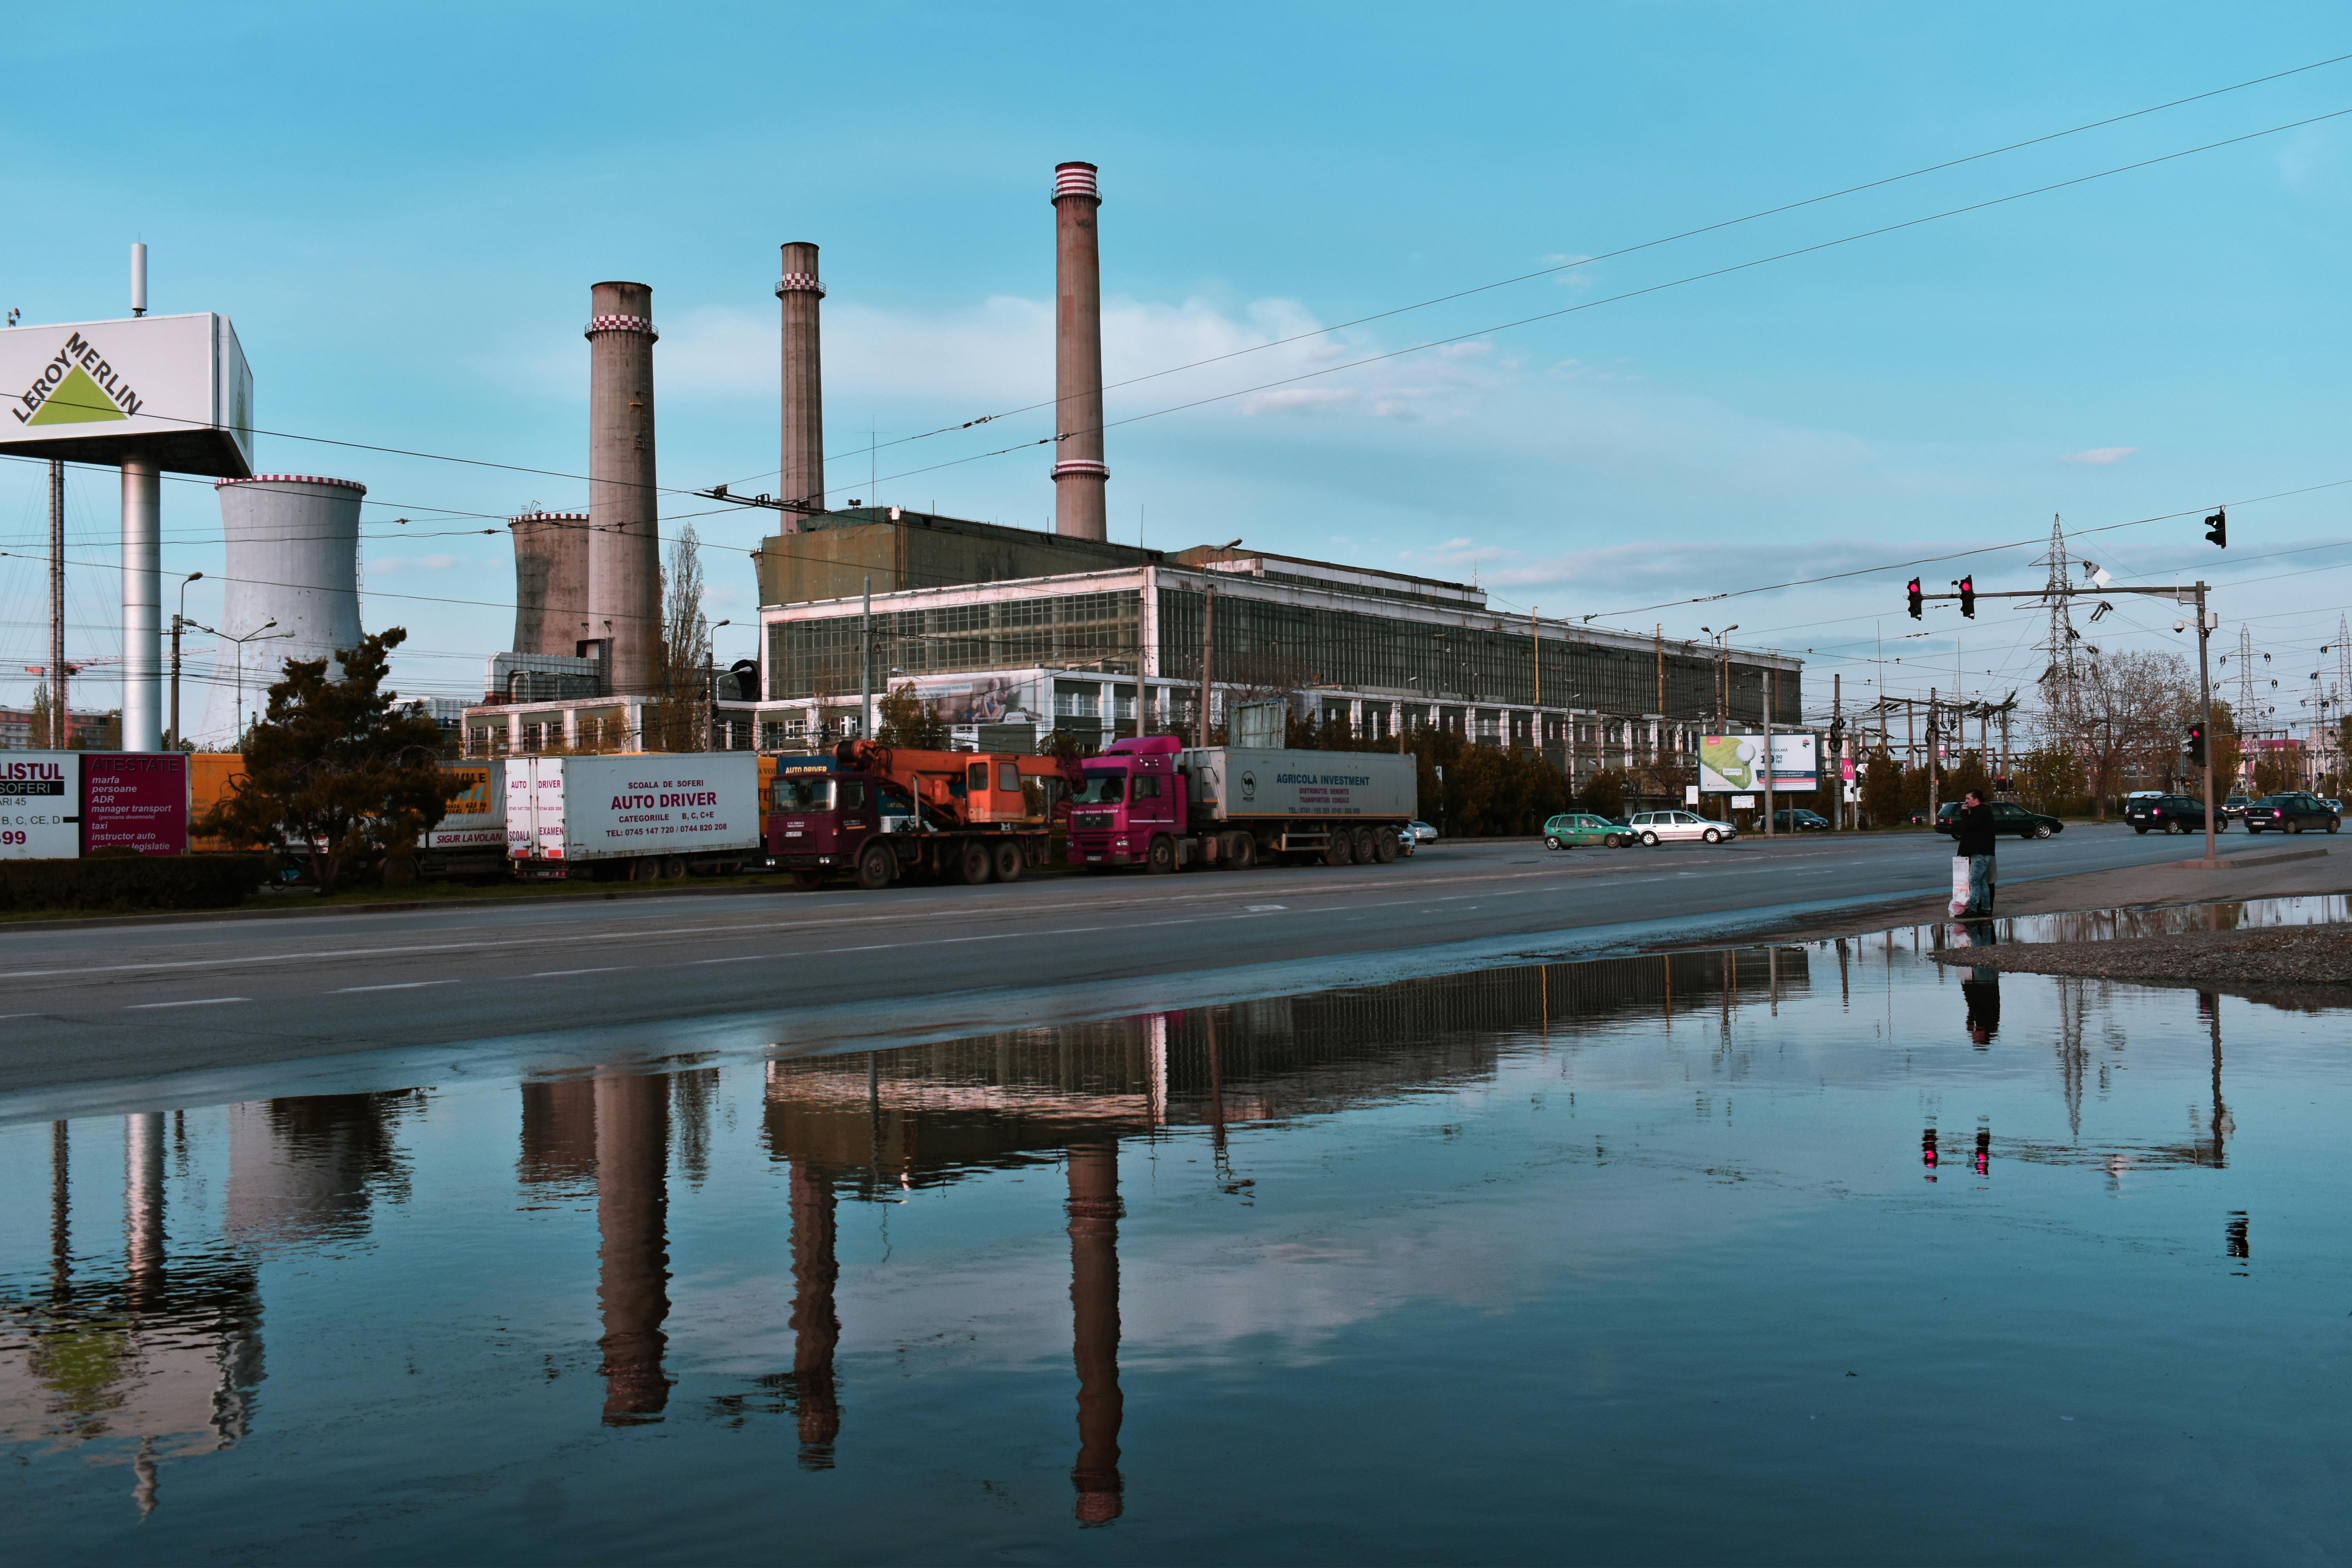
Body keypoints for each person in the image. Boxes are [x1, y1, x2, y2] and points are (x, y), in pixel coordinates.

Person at [1955, 788, 1998, 915]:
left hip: (1980, 851)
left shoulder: (1981, 812)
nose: (1966, 802)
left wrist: (1963, 812)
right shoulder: (1981, 811)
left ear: (1976, 800)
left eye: (1968, 799)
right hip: (1982, 851)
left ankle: (1973, 909)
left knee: (1974, 880)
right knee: (1982, 881)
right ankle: (1986, 908)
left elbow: (1969, 825)